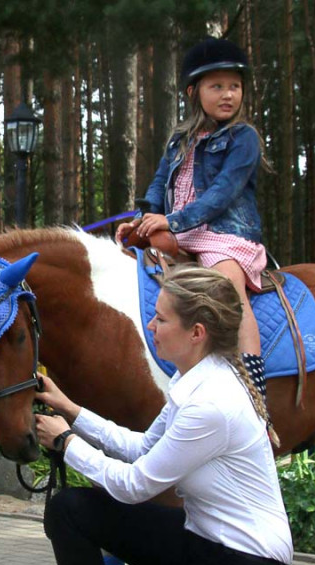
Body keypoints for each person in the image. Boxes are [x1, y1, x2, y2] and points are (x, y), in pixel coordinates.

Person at [28, 267, 292, 565]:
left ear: (197, 332)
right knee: (70, 508)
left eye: (161, 319)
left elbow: (136, 485)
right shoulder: (194, 380)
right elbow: (142, 447)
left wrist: (64, 442)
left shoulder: (211, 404)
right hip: (205, 546)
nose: (151, 327)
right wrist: (72, 411)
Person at [115, 37, 270, 415]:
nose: (228, 94)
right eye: (217, 86)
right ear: (193, 91)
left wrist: (172, 219)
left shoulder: (243, 138)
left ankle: (254, 389)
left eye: (234, 86)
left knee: (227, 289)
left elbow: (222, 193)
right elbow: (158, 182)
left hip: (225, 237)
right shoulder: (180, 139)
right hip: (183, 234)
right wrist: (143, 217)